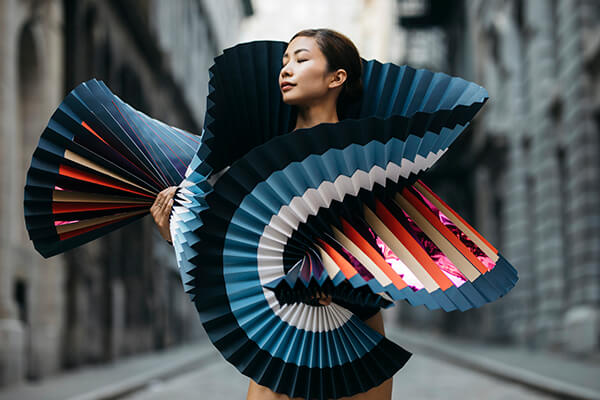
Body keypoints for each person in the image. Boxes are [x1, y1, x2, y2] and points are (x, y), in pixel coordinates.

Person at [151, 28, 393, 400]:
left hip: (354, 333)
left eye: (301, 59)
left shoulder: (369, 155)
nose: (286, 69)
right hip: (283, 330)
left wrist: (334, 274)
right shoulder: (259, 158)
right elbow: (229, 249)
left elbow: (391, 249)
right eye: (284, 62)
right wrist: (177, 231)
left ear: (336, 77)